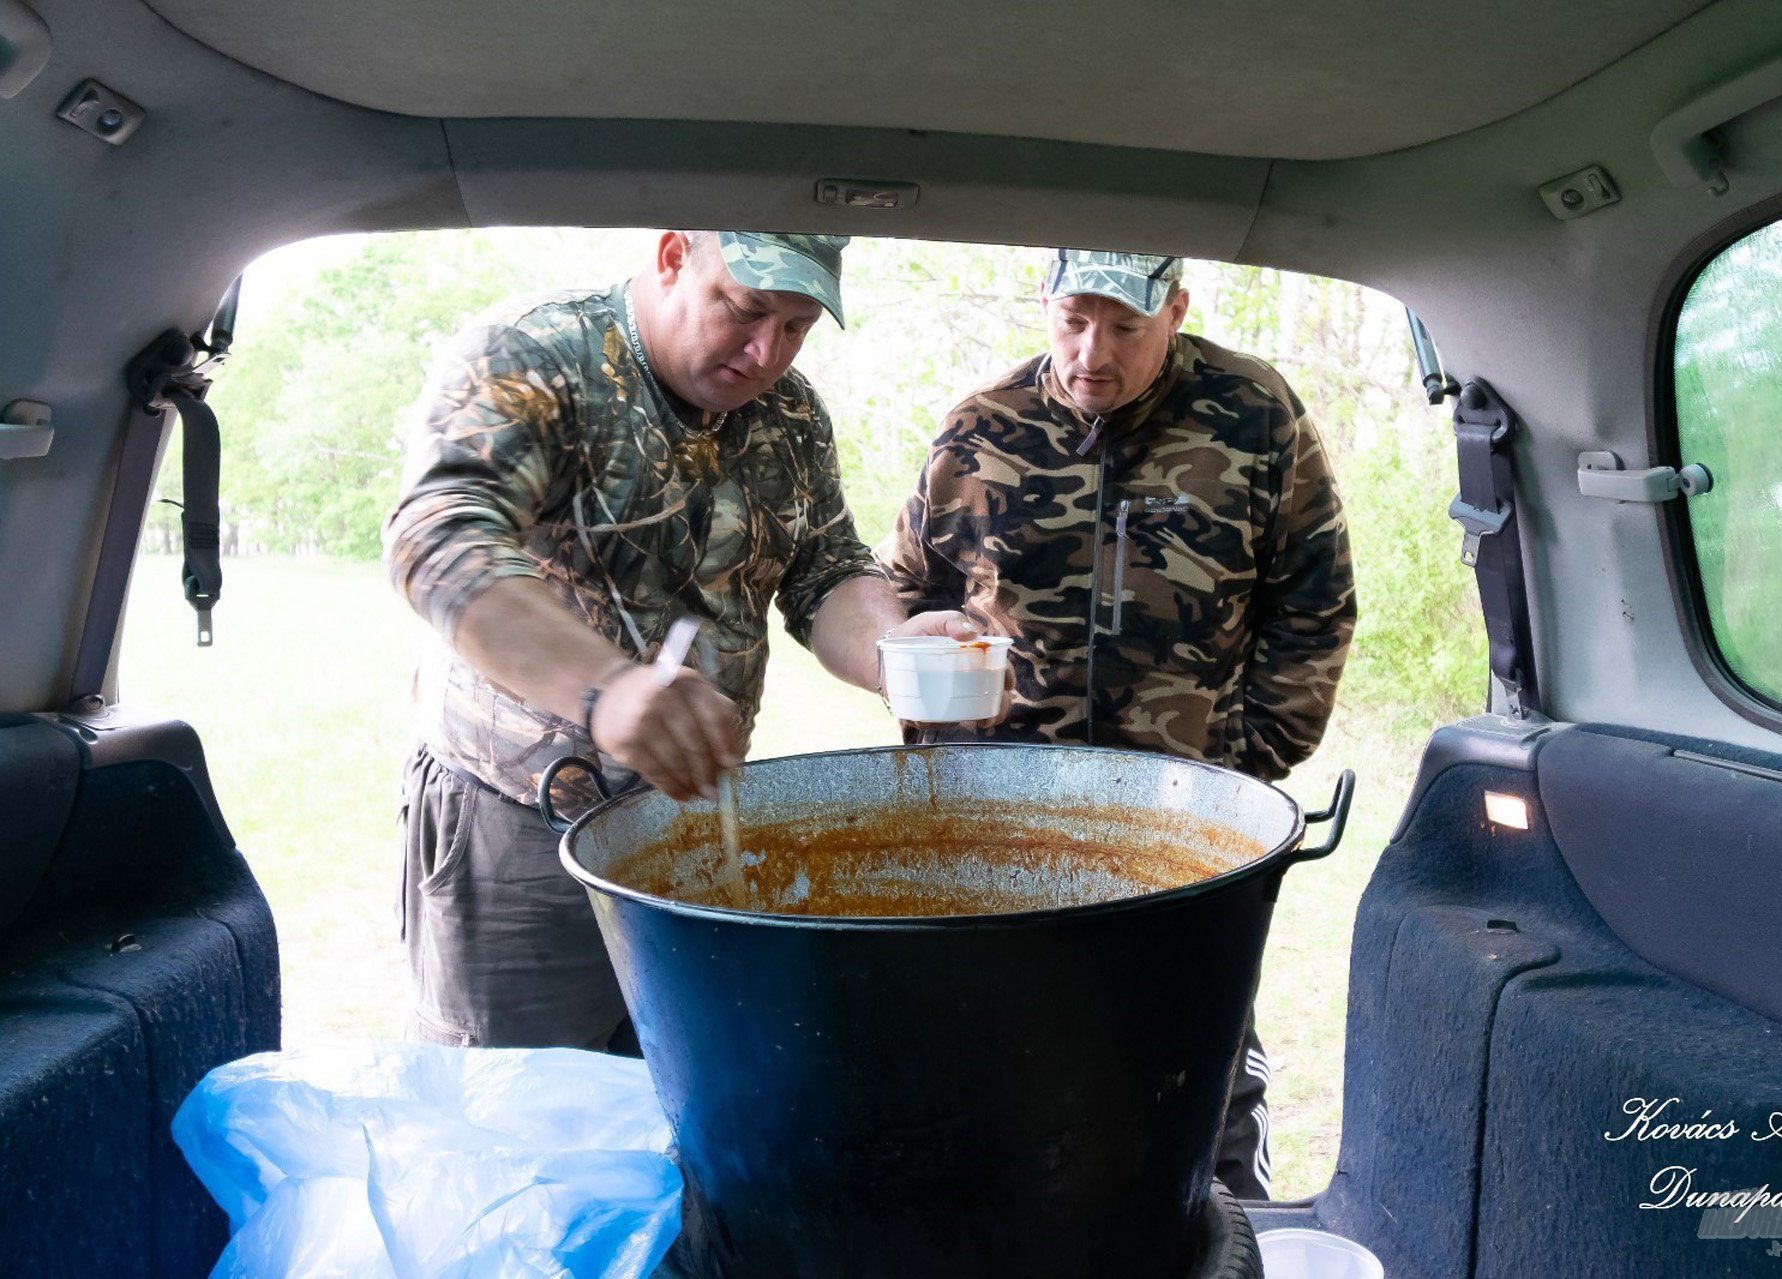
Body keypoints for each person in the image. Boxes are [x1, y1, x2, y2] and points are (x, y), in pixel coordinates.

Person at [383, 229, 985, 1052]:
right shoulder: (536, 353)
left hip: (692, 830)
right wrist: (608, 690)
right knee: (515, 1120)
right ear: (674, 256)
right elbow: (438, 538)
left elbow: (826, 571)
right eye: (745, 310)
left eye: (798, 326)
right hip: (516, 830)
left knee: (685, 1102)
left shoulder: (792, 415)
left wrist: (895, 650)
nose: (767, 350)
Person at [881, 249, 1357, 1199]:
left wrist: (1247, 759)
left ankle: (1218, 1232)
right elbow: (904, 590)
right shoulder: (981, 426)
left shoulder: (1258, 415)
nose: (1091, 354)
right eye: (1071, 322)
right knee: (994, 1065)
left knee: (1195, 1069)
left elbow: (1314, 605)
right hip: (1000, 821)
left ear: (1176, 310)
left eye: (1126, 328)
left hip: (1185, 820)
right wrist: (923, 674)